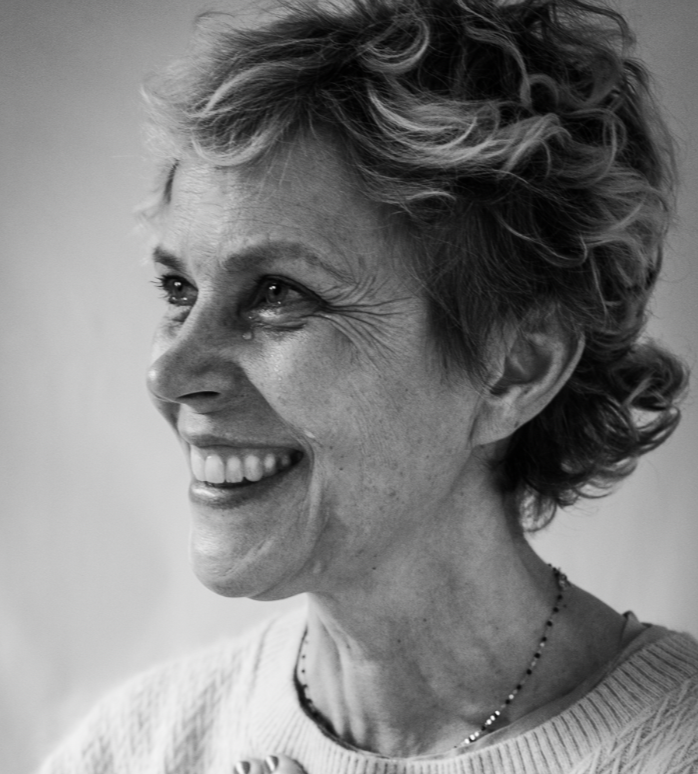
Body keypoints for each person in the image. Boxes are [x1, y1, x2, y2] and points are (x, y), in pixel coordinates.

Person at [39, 0, 698, 771]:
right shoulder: (134, 749)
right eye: (179, 291)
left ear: (516, 367)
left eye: (279, 293)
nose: (170, 373)